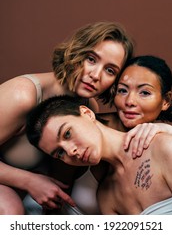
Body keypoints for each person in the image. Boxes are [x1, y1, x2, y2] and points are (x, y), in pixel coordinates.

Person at [0, 21, 137, 214]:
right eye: (91, 59)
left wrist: (163, 131)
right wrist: (29, 181)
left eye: (110, 70)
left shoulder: (89, 107)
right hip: (15, 194)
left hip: (31, 196)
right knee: (10, 209)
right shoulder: (22, 95)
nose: (96, 75)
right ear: (75, 51)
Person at [26, 55, 172, 215]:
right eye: (60, 153)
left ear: (87, 113)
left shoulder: (164, 147)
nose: (70, 152)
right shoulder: (105, 196)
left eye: (67, 134)